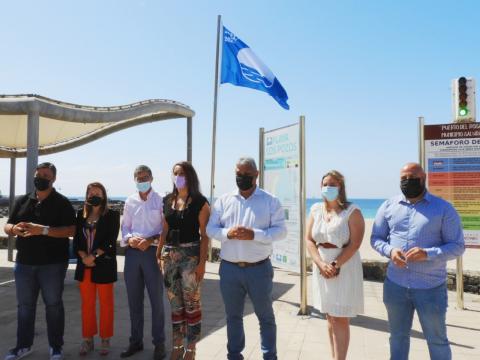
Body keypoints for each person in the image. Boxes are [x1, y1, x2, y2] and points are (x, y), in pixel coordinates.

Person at [371, 162, 465, 360]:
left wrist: (428, 253)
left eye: (411, 178)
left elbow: (457, 246)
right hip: (395, 286)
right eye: (403, 179)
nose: (406, 182)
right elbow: (376, 238)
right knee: (397, 338)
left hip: (430, 288)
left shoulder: (444, 209)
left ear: (423, 179)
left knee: (437, 341)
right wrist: (390, 250)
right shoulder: (388, 206)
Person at [207, 157, 287, 360]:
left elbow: (281, 231)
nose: (241, 178)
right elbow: (210, 229)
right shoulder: (224, 200)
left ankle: (270, 356)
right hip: (229, 269)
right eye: (238, 174)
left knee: (265, 317)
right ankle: (234, 355)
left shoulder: (270, 201)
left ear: (256, 175)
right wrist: (227, 234)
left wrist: (255, 235)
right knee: (233, 317)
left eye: (246, 175)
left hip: (259, 269)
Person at [3, 162, 76, 360]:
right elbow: (8, 225)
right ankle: (23, 346)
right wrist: (14, 229)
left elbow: (71, 230)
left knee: (53, 305)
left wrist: (42, 229)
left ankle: (56, 347)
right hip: (24, 263)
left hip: (52, 264)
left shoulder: (62, 202)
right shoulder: (23, 200)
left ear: (53, 179)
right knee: (25, 307)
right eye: (38, 174)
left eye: (45, 175)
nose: (40, 177)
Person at [305, 170, 365, 360]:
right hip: (322, 266)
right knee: (330, 316)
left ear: (341, 187)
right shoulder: (315, 209)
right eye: (324, 184)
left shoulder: (352, 211)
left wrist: (335, 264)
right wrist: (321, 263)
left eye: (332, 184)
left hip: (344, 267)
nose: (327, 188)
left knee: (340, 318)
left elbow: (355, 243)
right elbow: (309, 240)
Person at [157, 161, 210, 360]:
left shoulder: (200, 202)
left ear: (190, 177)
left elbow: (204, 235)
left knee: (192, 304)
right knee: (175, 304)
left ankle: (191, 348)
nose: (178, 176)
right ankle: (177, 345)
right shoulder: (167, 200)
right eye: (175, 173)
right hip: (169, 257)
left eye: (182, 173)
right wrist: (159, 253)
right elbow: (164, 229)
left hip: (191, 257)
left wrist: (202, 263)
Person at [120, 165, 166, 360]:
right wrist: (129, 239)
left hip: (152, 253)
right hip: (132, 254)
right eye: (139, 178)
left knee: (157, 301)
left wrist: (151, 240)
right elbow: (125, 226)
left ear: (152, 178)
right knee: (134, 301)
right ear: (135, 180)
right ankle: (135, 341)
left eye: (145, 177)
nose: (142, 180)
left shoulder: (161, 200)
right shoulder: (130, 201)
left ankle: (159, 343)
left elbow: (165, 228)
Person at [73, 182, 120, 356]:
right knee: (87, 304)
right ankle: (87, 339)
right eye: (91, 192)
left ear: (103, 195)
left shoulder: (112, 215)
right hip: (84, 265)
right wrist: (84, 256)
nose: (94, 194)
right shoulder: (80, 215)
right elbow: (77, 239)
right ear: (86, 195)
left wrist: (94, 256)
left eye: (97, 192)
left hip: (104, 265)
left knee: (106, 304)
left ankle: (105, 339)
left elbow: (110, 240)